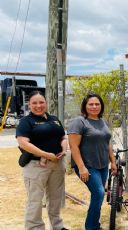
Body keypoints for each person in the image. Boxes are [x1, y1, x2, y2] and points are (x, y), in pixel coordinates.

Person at [16, 91, 68, 230]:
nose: (38, 105)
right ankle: (35, 227)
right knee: (35, 200)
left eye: (41, 102)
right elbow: (23, 142)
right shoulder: (26, 122)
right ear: (29, 104)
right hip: (36, 165)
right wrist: (44, 154)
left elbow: (63, 137)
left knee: (56, 198)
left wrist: (63, 149)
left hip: (57, 164)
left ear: (46, 103)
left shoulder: (54, 119)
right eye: (34, 103)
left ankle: (57, 226)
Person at [68, 93, 116, 230]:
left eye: (97, 104)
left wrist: (112, 162)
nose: (94, 106)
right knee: (99, 193)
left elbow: (107, 143)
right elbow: (74, 147)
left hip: (102, 165)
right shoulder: (79, 122)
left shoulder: (103, 122)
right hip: (87, 166)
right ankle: (91, 227)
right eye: (91, 104)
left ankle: (95, 225)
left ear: (101, 106)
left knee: (98, 196)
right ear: (85, 106)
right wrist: (82, 167)